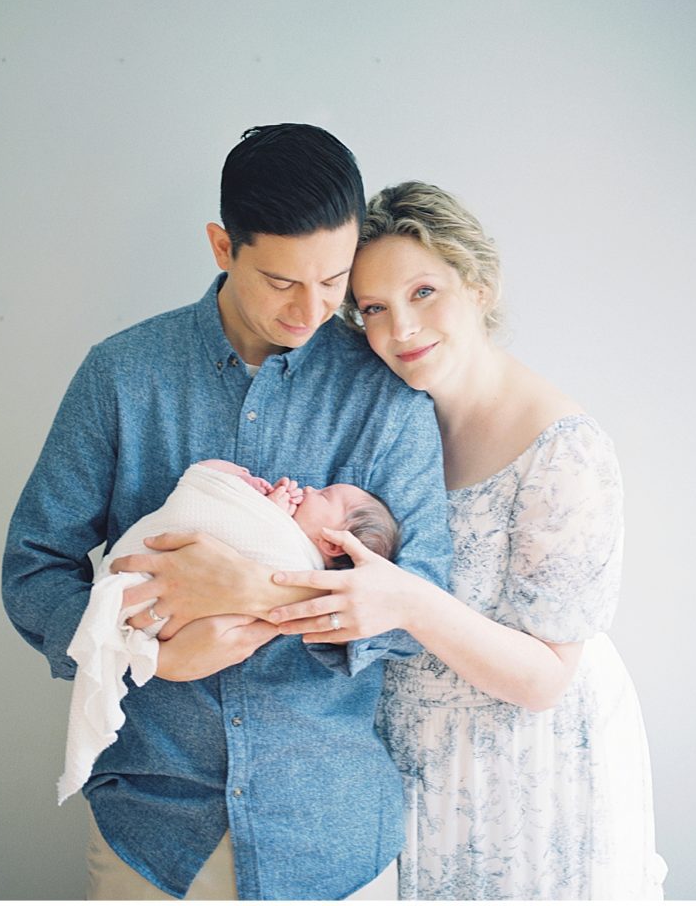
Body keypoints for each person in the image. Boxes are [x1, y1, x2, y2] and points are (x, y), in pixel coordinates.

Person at [2, 128, 452, 901]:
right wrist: (145, 652)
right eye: (281, 282)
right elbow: (33, 568)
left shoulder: (385, 396)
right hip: (155, 830)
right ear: (222, 246)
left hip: (332, 834)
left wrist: (254, 591)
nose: (312, 310)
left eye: (333, 281)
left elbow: (419, 612)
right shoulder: (121, 375)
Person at [266, 182, 667, 899]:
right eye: (375, 310)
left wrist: (407, 604)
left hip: (525, 771)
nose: (400, 330)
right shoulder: (392, 427)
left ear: (479, 285)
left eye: (423, 292)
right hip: (415, 768)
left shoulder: (560, 449)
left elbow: (546, 678)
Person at [58, 459, 402, 806]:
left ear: (334, 545)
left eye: (325, 496)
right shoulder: (111, 403)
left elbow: (411, 612)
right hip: (148, 797)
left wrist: (261, 588)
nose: (311, 488)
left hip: (321, 801)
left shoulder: (295, 554)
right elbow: (33, 568)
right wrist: (256, 504)